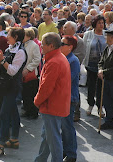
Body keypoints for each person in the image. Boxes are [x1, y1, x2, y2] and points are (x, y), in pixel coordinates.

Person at [33, 32, 71, 162]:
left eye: (43, 45)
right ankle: (40, 159)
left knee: (53, 138)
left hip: (52, 106)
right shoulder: (59, 58)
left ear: (51, 46)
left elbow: (46, 87)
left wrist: (37, 100)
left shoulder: (54, 62)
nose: (41, 47)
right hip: (56, 104)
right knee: (47, 136)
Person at [0, 27, 27, 157]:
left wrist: (3, 60)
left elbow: (12, 71)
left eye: (9, 35)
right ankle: (14, 139)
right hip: (4, 85)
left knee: (4, 114)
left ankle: (1, 144)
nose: (7, 37)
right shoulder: (8, 49)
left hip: (12, 87)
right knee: (13, 112)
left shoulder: (21, 52)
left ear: (16, 37)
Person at [60, 35, 79, 162]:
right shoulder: (64, 58)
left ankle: (71, 154)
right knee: (63, 126)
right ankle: (65, 150)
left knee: (67, 127)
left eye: (63, 44)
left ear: (70, 47)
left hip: (69, 98)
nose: (60, 46)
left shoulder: (73, 60)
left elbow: (68, 79)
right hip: (63, 97)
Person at [83, 15, 106, 117]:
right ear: (94, 24)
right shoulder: (88, 34)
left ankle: (100, 107)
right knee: (91, 86)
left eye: (102, 23)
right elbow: (84, 48)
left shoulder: (106, 34)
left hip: (103, 65)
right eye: (99, 23)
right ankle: (90, 104)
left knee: (101, 88)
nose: (101, 25)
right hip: (91, 64)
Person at [21, 28, 41, 120]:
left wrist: (28, 68)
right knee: (25, 94)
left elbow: (37, 59)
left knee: (31, 94)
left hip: (31, 74)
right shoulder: (22, 44)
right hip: (23, 73)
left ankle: (33, 112)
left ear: (29, 36)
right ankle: (27, 110)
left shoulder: (34, 45)